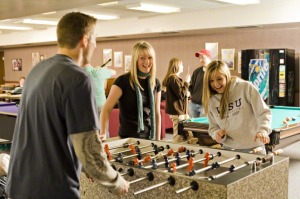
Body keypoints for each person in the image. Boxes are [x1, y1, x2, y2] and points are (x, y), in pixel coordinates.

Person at [6, 12, 129, 199]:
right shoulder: (78, 78)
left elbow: (54, 132)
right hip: (52, 190)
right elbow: (89, 152)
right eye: (95, 39)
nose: (96, 44)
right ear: (84, 40)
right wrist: (117, 182)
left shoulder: (36, 71)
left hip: (18, 186)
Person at [202, 60, 271, 155]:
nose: (216, 84)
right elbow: (213, 128)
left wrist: (263, 131)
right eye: (211, 81)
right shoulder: (211, 101)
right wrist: (216, 134)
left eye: (219, 79)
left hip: (254, 147)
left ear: (226, 76)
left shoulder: (246, 88)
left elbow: (263, 113)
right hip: (229, 149)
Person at [100, 41, 161, 141]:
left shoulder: (155, 83)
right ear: (135, 60)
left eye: (149, 58)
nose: (147, 62)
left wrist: (158, 141)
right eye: (142, 58)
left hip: (149, 137)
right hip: (127, 139)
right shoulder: (122, 81)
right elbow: (106, 110)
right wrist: (103, 133)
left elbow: (156, 114)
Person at [162, 58, 198, 144]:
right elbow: (181, 94)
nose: (183, 66)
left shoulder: (175, 79)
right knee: (178, 135)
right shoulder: (173, 79)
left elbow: (183, 94)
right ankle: (174, 150)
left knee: (188, 129)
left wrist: (187, 94)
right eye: (181, 65)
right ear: (177, 66)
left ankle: (190, 143)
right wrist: (186, 82)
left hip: (181, 111)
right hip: (178, 111)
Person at [83, 63, 116, 138]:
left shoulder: (79, 74)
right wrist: (101, 69)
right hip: (102, 107)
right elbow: (114, 72)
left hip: (88, 107)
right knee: (104, 131)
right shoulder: (99, 71)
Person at [189, 49, 212, 118]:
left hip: (205, 105)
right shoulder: (196, 71)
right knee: (193, 126)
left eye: (202, 58)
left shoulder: (213, 72)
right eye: (199, 58)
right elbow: (191, 86)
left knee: (203, 126)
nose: (200, 60)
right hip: (193, 104)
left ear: (209, 58)